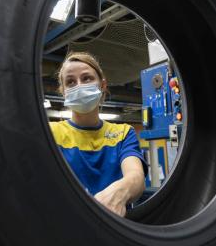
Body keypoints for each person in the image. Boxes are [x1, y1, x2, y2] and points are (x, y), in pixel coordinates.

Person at [50, 51, 146, 217]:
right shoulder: (51, 133)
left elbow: (136, 176)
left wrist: (120, 192)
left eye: (87, 78)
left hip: (115, 226)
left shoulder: (123, 133)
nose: (79, 86)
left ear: (102, 85)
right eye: (70, 82)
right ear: (63, 92)